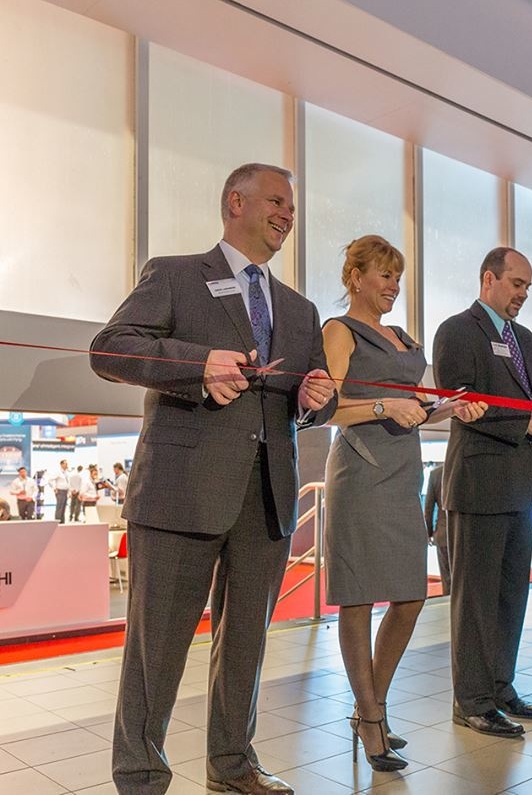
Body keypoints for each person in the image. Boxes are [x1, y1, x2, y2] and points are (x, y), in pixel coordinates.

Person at [90, 162, 337, 795]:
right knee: (157, 648)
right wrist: (199, 364)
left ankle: (233, 766)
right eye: (276, 201)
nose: (287, 214)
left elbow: (314, 395)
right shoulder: (175, 275)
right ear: (235, 202)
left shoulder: (300, 309)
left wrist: (316, 398)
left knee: (247, 643)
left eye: (292, 206)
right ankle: (141, 777)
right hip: (180, 492)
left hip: (267, 498)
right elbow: (110, 348)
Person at [322, 235, 485, 771]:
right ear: (356, 278)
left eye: (398, 276)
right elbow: (328, 409)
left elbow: (412, 409)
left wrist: (451, 408)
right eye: (385, 275)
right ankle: (371, 718)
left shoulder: (402, 336)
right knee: (358, 599)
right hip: (360, 472)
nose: (394, 285)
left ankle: (370, 707)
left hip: (401, 474)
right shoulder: (339, 330)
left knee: (411, 596)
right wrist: (384, 405)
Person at [433, 246, 532, 738]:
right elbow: (463, 401)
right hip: (478, 485)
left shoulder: (524, 339)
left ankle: (500, 688)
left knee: (510, 596)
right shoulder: (457, 330)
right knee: (475, 601)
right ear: (489, 279)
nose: (523, 294)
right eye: (516, 283)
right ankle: (471, 700)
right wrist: (527, 422)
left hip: (521, 486)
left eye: (528, 287)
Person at [423, 462, 451, 596]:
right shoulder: (466, 468)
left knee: (447, 581)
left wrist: (428, 533)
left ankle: (448, 607)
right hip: (465, 535)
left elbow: (428, 509)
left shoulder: (436, 474)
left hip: (443, 534)